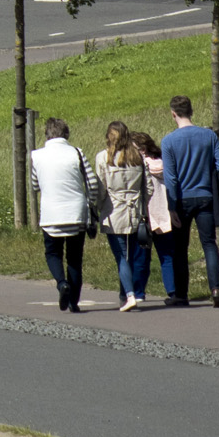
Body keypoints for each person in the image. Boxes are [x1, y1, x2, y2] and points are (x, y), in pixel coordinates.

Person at [156, 94, 219, 307]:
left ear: (173, 114)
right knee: (209, 244)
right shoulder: (208, 136)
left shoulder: (169, 141)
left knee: (180, 247)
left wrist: (171, 207)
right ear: (192, 111)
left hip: (181, 200)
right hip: (206, 196)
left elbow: (170, 178)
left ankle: (181, 294)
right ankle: (216, 288)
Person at [29, 115, 95, 311]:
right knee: (75, 258)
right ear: (66, 134)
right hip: (76, 213)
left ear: (47, 135)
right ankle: (74, 302)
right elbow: (91, 183)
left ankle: (61, 283)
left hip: (51, 215)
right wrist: (92, 205)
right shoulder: (77, 153)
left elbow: (34, 185)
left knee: (52, 253)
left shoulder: (36, 155)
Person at [92, 120, 155, 310]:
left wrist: (97, 207)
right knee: (133, 254)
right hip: (135, 210)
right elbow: (149, 187)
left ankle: (129, 294)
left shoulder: (103, 157)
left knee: (121, 256)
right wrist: (143, 206)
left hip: (114, 211)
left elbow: (101, 189)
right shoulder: (137, 157)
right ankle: (128, 292)